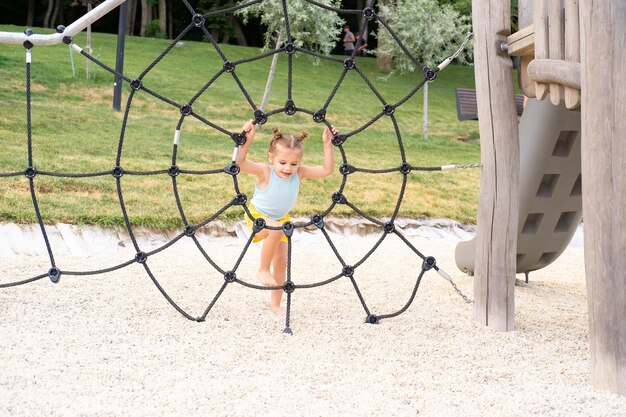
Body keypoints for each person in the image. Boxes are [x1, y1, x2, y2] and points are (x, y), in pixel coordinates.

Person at [236, 120, 337, 313]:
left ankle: (275, 305)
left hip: (281, 220)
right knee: (276, 228)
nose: (287, 168)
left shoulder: (299, 174)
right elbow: (239, 164)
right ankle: (262, 269)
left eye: (293, 163)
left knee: (282, 262)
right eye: (282, 162)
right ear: (271, 158)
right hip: (257, 215)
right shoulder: (265, 172)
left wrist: (327, 145)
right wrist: (247, 140)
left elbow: (327, 170)